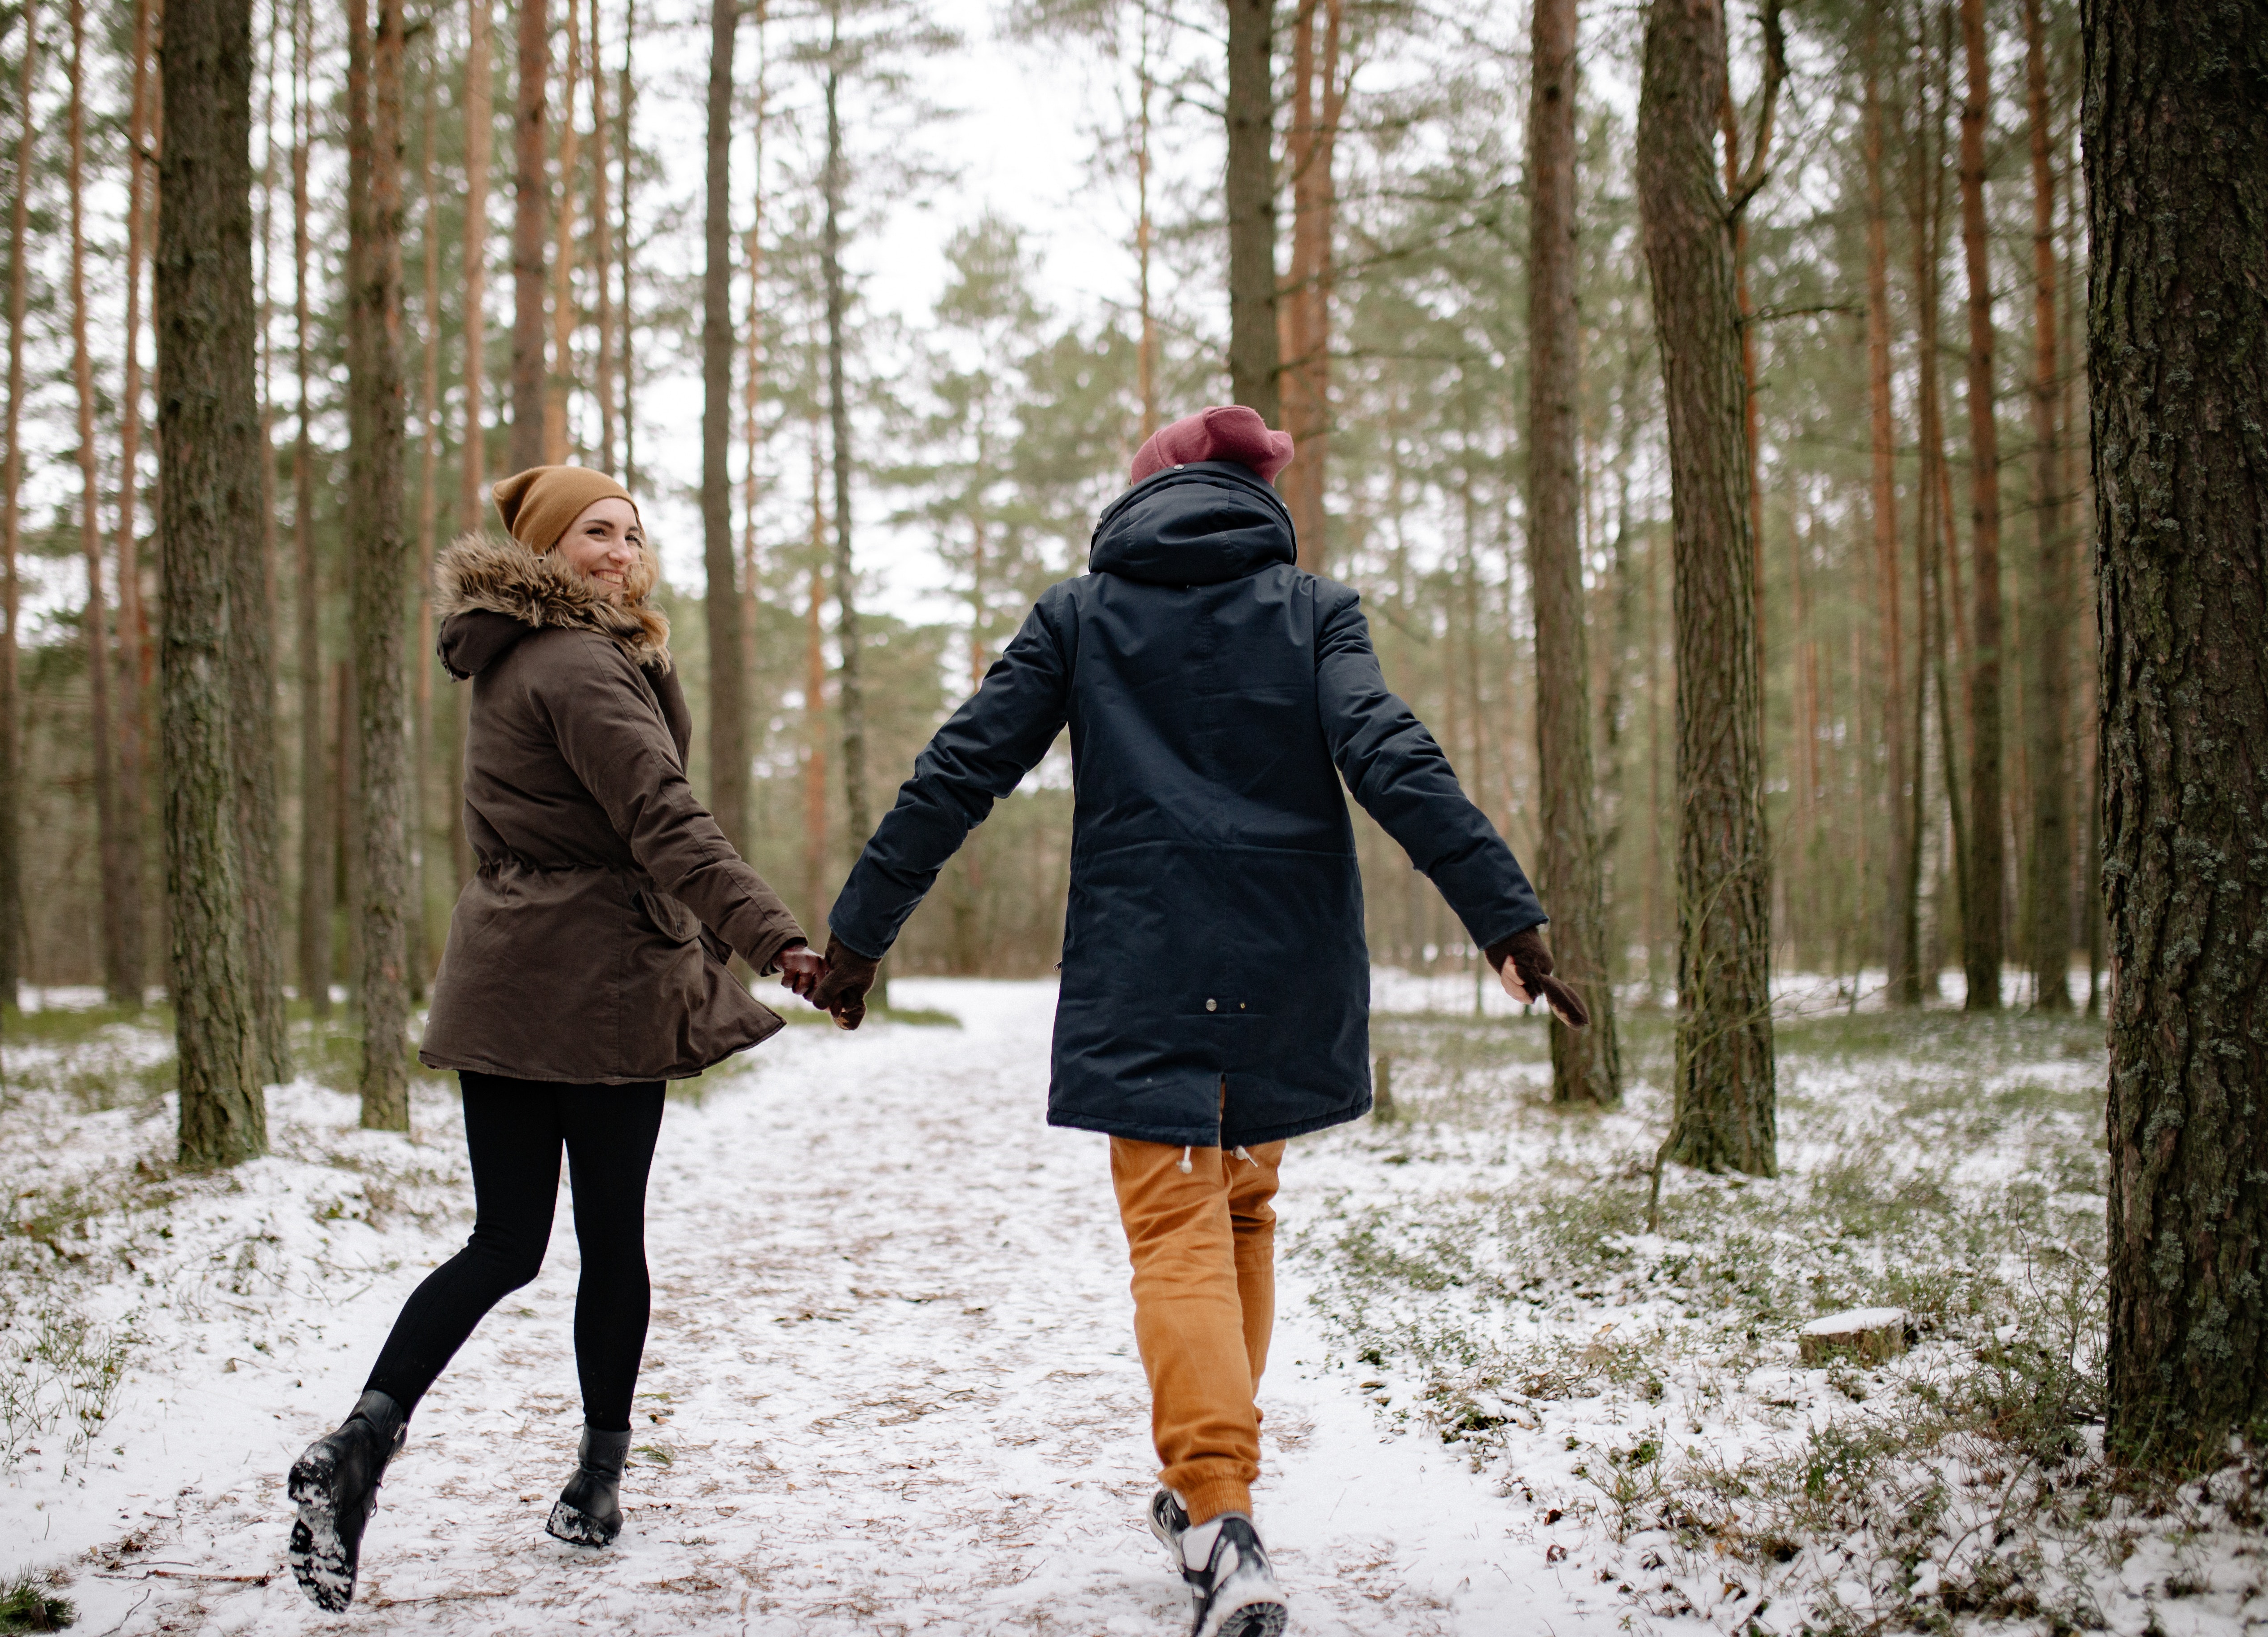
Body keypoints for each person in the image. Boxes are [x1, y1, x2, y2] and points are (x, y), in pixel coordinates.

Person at [809, 407, 1585, 1637]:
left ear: (1139, 501)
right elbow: (1389, 749)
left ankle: (1221, 1518)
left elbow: (959, 767)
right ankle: (1206, 1489)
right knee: (1237, 1210)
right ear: (1251, 500)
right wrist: (1506, 917)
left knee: (1178, 1226)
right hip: (1290, 962)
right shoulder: (1313, 608)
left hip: (1147, 958)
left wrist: (857, 939)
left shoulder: (1082, 613)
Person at [286, 465, 827, 1612]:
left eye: (632, 532)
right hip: (600, 984)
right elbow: (664, 821)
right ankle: (595, 1480)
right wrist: (777, 941)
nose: (621, 550)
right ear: (543, 549)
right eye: (594, 532)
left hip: (504, 976)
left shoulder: (512, 656)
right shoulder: (584, 665)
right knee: (608, 1238)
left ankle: (358, 1447)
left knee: (504, 1242)